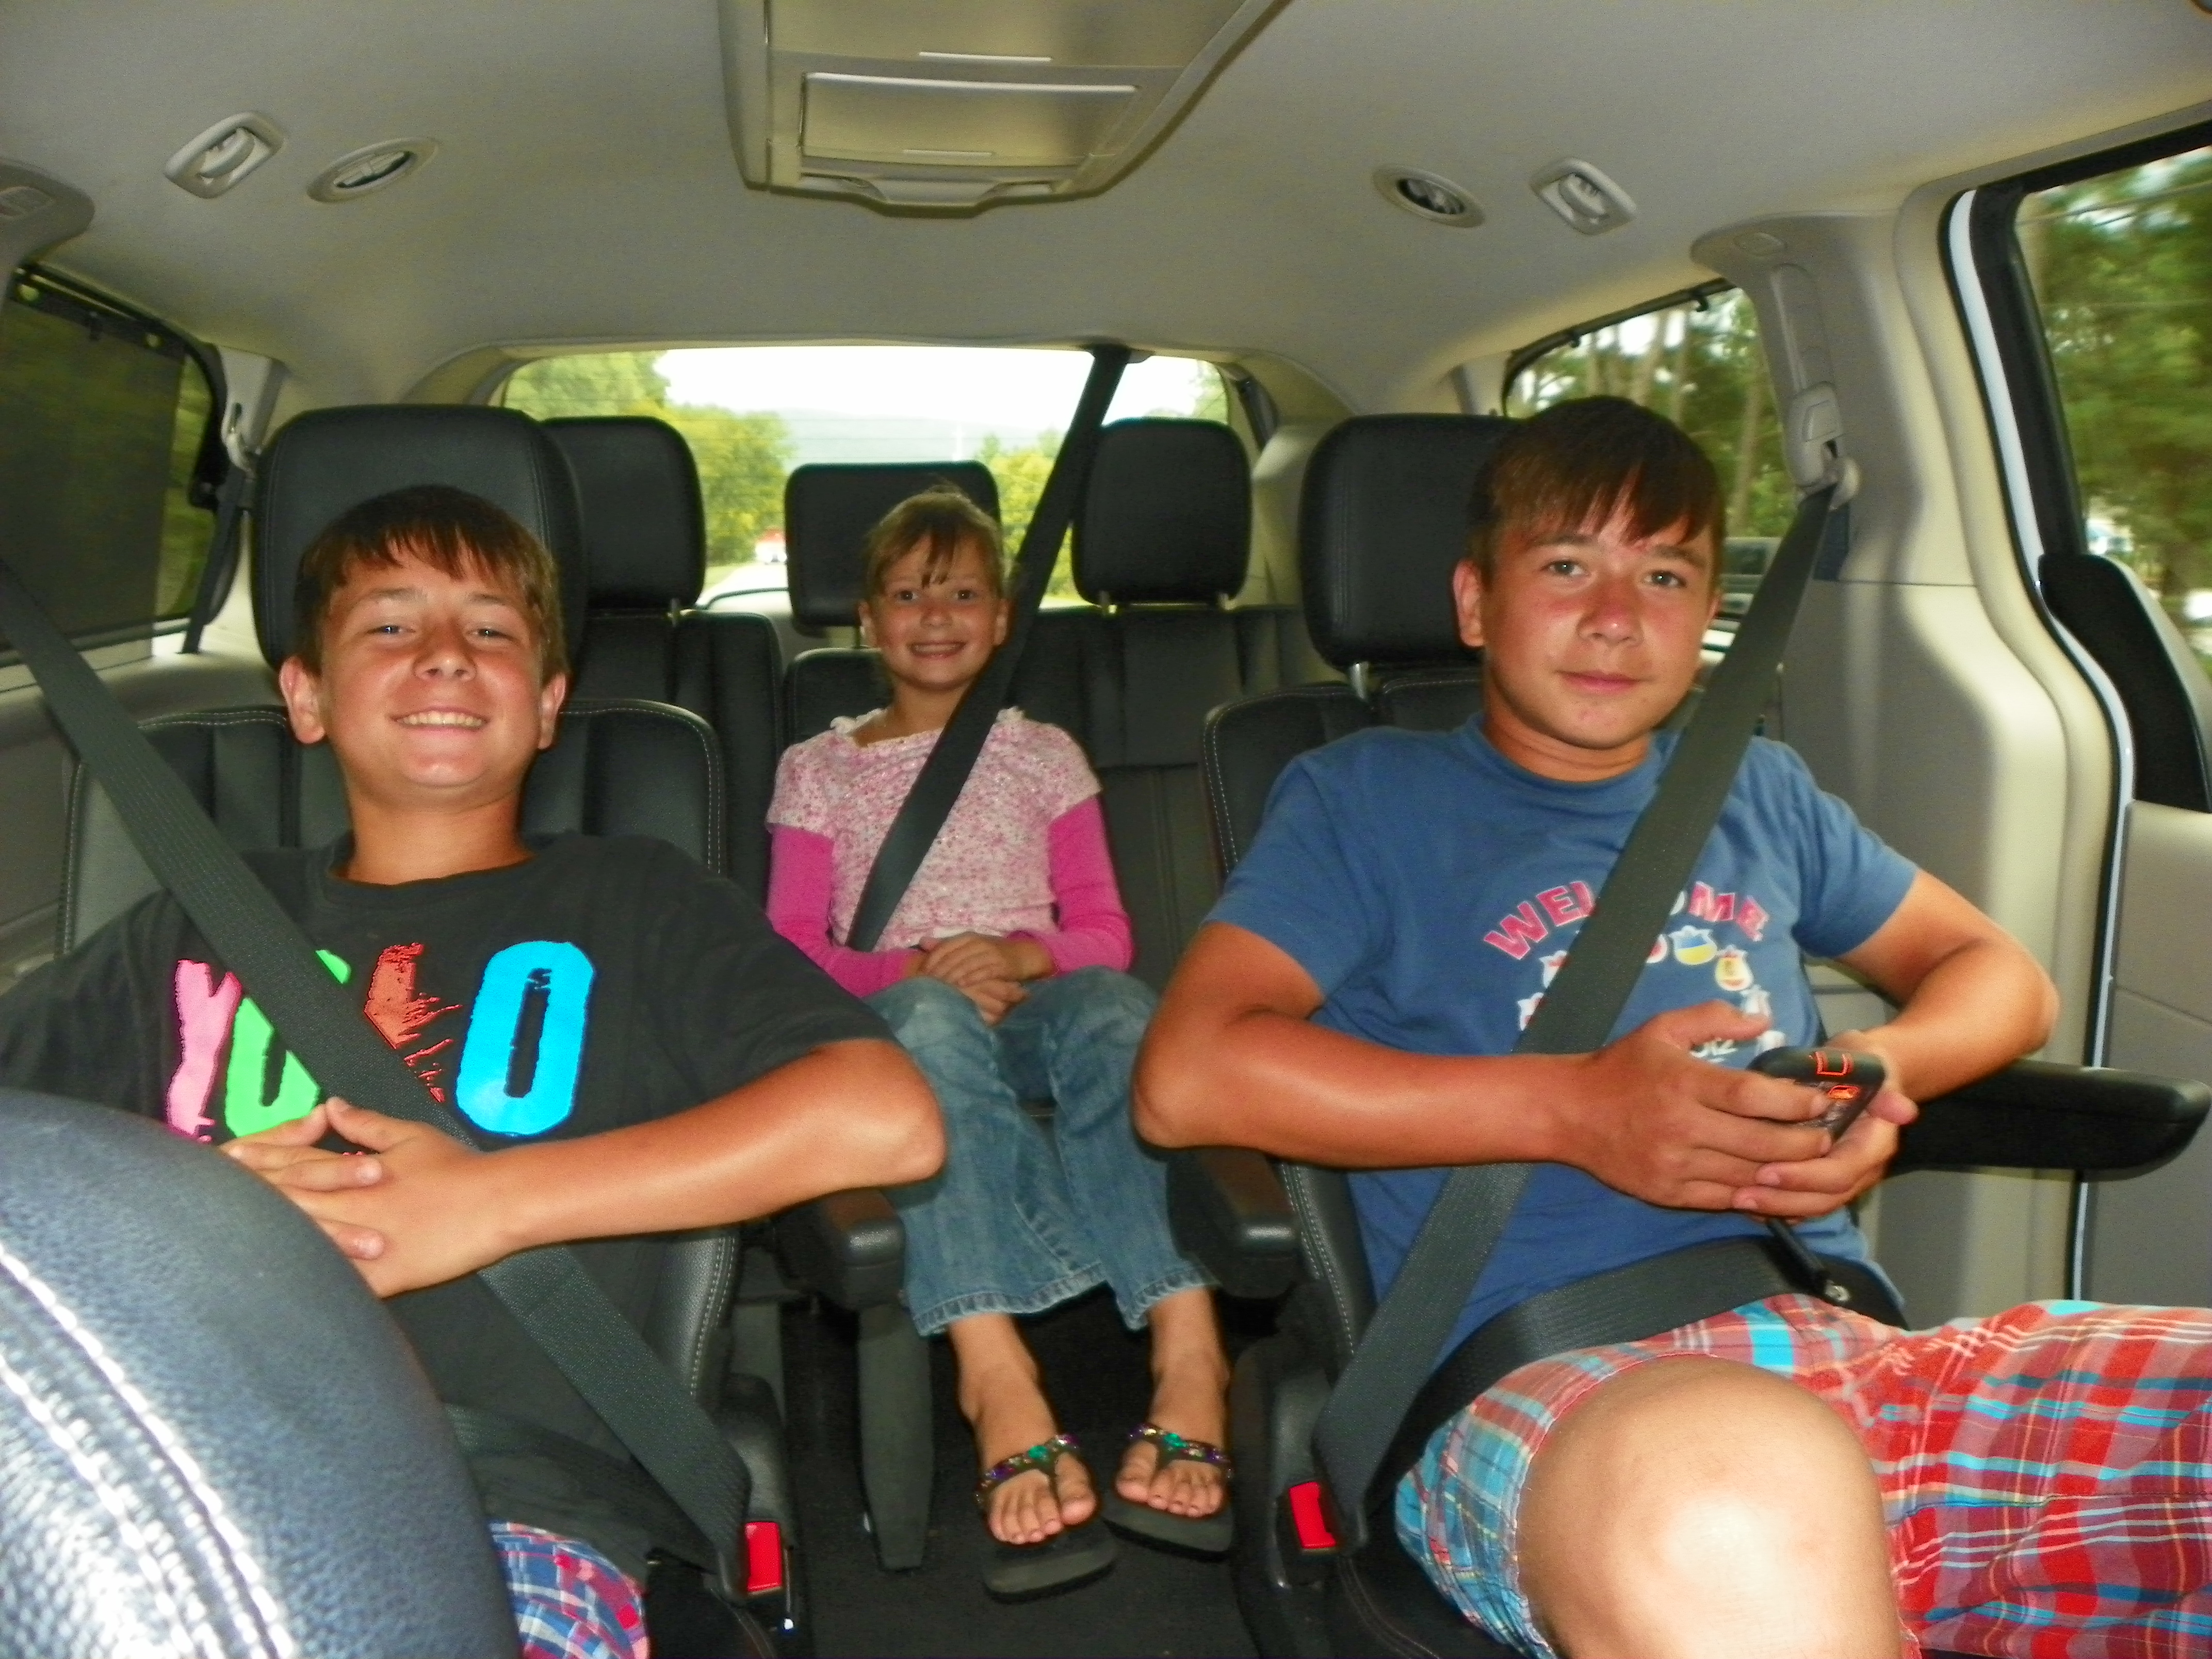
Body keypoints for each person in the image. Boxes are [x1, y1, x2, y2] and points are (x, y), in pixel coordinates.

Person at [1136, 397, 2212, 1657]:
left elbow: (1999, 977)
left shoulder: (1759, 790)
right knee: (1725, 1503)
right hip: (1548, 1386)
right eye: (1564, 567)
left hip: (1848, 1350)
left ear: (1705, 613)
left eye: (1662, 575)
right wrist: (1575, 1112)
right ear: (1475, 603)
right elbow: (1185, 1075)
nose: (1614, 617)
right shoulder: (1360, 799)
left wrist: (1867, 1073)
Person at [0, 484, 944, 1659]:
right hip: (159, 1481)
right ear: (306, 695)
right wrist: (197, 1206)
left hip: (507, 1506)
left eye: (491, 629)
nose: (446, 653)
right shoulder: (188, 925)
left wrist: (484, 1204)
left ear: (546, 706)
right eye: (390, 625)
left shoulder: (634, 898)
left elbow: (884, 1118)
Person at [766, 486, 1231, 1591]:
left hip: (1035, 1006)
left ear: (1003, 618)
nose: (936, 617)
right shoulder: (818, 769)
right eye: (907, 595)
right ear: (868, 620)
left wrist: (1017, 959)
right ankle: (995, 1374)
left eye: (964, 595)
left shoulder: (1043, 755)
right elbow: (792, 947)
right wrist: (915, 971)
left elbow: (1105, 933)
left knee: (1118, 1009)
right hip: (899, 1014)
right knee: (929, 1022)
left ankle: (1190, 1346)